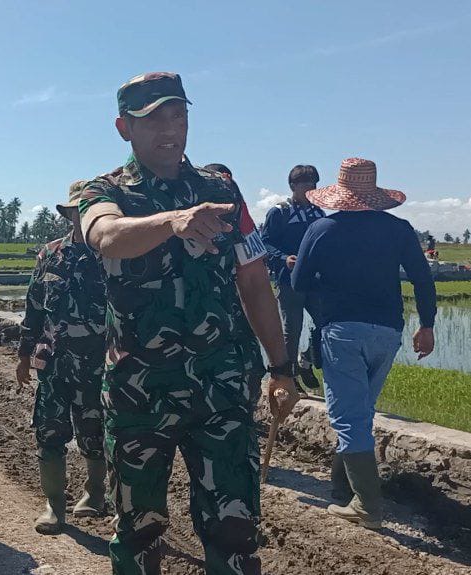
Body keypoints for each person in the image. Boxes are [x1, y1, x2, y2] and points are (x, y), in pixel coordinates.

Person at [80, 72, 298, 575]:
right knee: (139, 532)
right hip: (140, 394)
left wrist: (282, 367)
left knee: (235, 531)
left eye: (178, 113)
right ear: (123, 128)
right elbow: (107, 235)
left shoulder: (222, 191)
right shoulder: (104, 191)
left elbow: (255, 281)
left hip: (221, 389)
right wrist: (171, 221)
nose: (169, 126)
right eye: (152, 117)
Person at [292, 157, 436, 529]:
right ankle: (342, 488)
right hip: (387, 331)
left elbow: (298, 283)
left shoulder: (322, 228)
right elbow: (422, 278)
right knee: (360, 411)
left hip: (342, 330)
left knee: (347, 415)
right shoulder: (399, 229)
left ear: (338, 194)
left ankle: (368, 506)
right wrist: (428, 325)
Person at [16, 179, 108, 535]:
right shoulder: (50, 254)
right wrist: (24, 354)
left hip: (99, 366)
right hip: (54, 364)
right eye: (76, 211)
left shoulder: (115, 255)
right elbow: (34, 307)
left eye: (88, 210)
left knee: (96, 433)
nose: (81, 217)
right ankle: (54, 505)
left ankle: (96, 492)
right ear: (69, 214)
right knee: (49, 433)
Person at [261, 165, 326, 392]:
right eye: (305, 184)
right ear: (292, 186)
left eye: (314, 184)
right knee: (292, 329)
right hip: (288, 280)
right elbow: (264, 244)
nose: (310, 188)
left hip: (316, 280)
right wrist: (282, 258)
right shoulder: (279, 212)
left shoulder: (318, 213)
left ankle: (307, 359)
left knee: (327, 323)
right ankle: (289, 377)